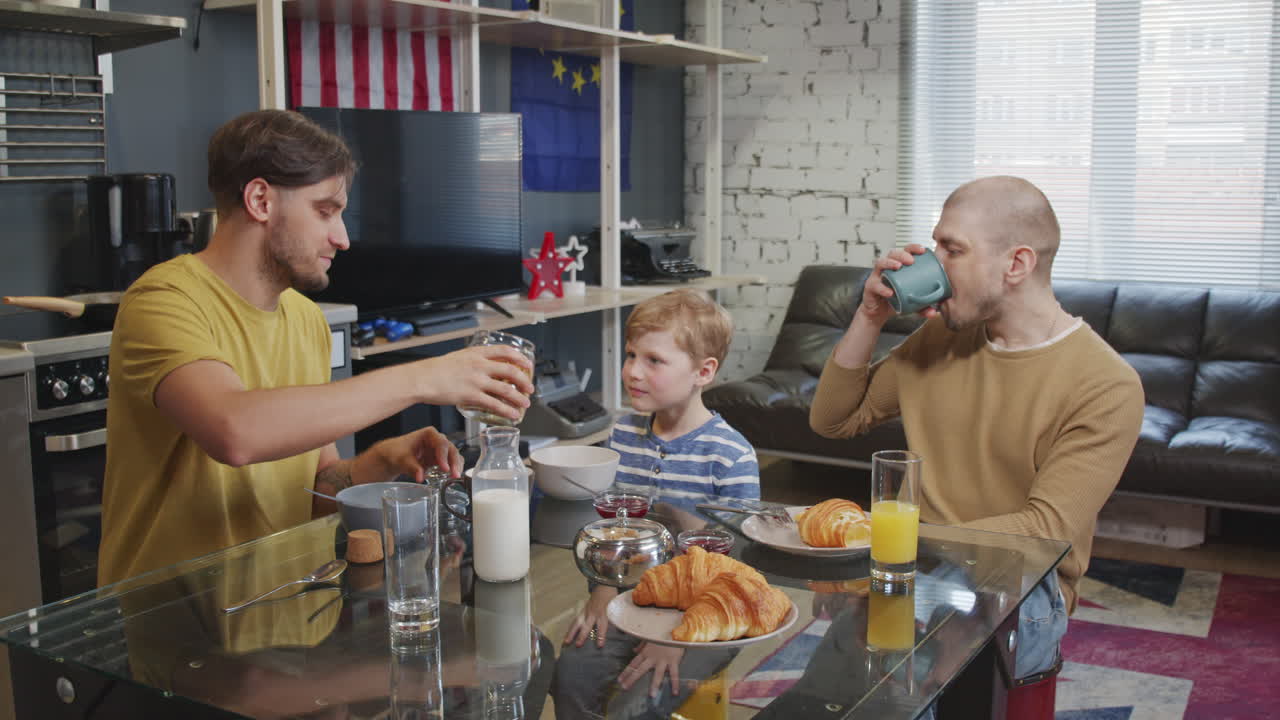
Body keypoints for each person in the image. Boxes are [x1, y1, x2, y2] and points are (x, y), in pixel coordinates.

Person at [99, 110, 534, 588]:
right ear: (261, 200)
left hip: (281, 617)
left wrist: (384, 459)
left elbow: (318, 488)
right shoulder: (162, 301)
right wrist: (424, 377)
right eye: (326, 211)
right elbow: (234, 432)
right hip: (167, 630)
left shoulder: (306, 320)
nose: (342, 238)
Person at [809, 175, 1144, 687]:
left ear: (1016, 264)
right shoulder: (940, 336)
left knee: (919, 686)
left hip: (1019, 582)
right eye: (936, 243)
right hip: (914, 565)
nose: (932, 263)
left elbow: (1043, 532)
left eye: (952, 249)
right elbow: (833, 420)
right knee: (831, 697)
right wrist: (869, 316)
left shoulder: (1106, 385)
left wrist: (893, 550)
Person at [552, 288, 760, 719]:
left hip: (706, 613)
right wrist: (603, 594)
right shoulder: (622, 434)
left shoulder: (731, 456)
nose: (633, 372)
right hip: (629, 598)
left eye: (654, 361)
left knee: (638, 707)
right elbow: (613, 534)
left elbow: (735, 569)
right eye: (631, 355)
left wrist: (675, 636)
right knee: (569, 677)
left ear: (703, 371)